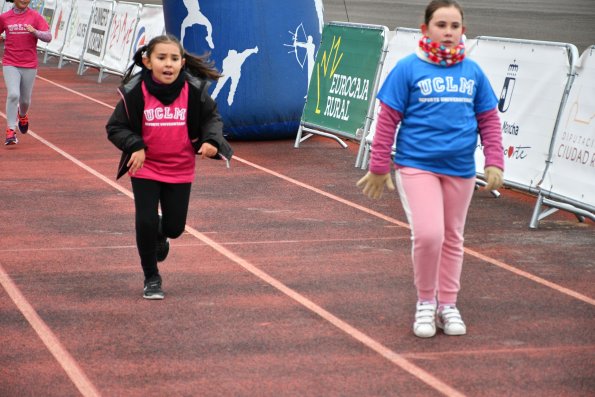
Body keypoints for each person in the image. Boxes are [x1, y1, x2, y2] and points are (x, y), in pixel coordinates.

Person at [357, 0, 504, 338]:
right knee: (428, 235)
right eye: (441, 25)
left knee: (453, 238)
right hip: (416, 166)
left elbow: (489, 121)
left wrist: (495, 161)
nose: (448, 32)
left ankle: (447, 304)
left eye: (455, 26)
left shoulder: (473, 72)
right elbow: (387, 121)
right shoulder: (408, 68)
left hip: (460, 169)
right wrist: (379, 166)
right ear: (425, 29)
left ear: (463, 31)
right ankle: (426, 301)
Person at [106, 34, 233, 300]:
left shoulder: (193, 90)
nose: (168, 64)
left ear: (182, 63)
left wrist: (212, 141)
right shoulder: (135, 91)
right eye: (161, 58)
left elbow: (212, 118)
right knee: (145, 219)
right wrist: (135, 145)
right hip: (146, 166)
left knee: (175, 228)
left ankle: (160, 232)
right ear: (147, 61)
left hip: (180, 167)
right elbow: (115, 127)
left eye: (174, 59)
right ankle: (151, 277)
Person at [0, 0, 52, 146]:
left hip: (29, 65)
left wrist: (35, 32)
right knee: (13, 95)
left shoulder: (35, 16)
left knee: (25, 101)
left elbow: (48, 37)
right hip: (10, 63)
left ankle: (22, 115)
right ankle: (10, 130)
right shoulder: (4, 17)